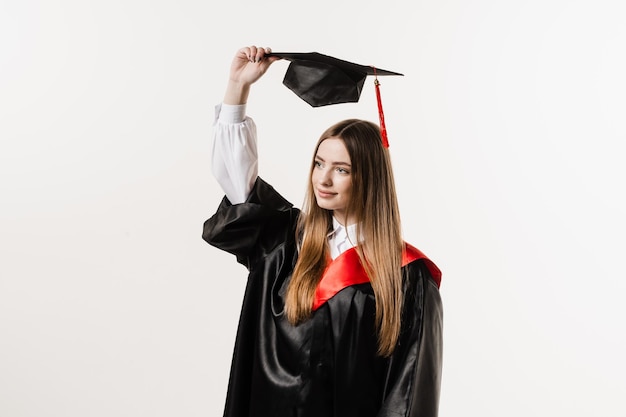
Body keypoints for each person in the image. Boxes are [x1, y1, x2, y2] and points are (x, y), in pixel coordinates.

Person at [203, 45, 443, 417]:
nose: (324, 179)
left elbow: (409, 397)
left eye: (342, 169)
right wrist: (238, 87)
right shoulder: (283, 242)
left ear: (370, 178)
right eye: (319, 164)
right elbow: (237, 180)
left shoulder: (406, 277)